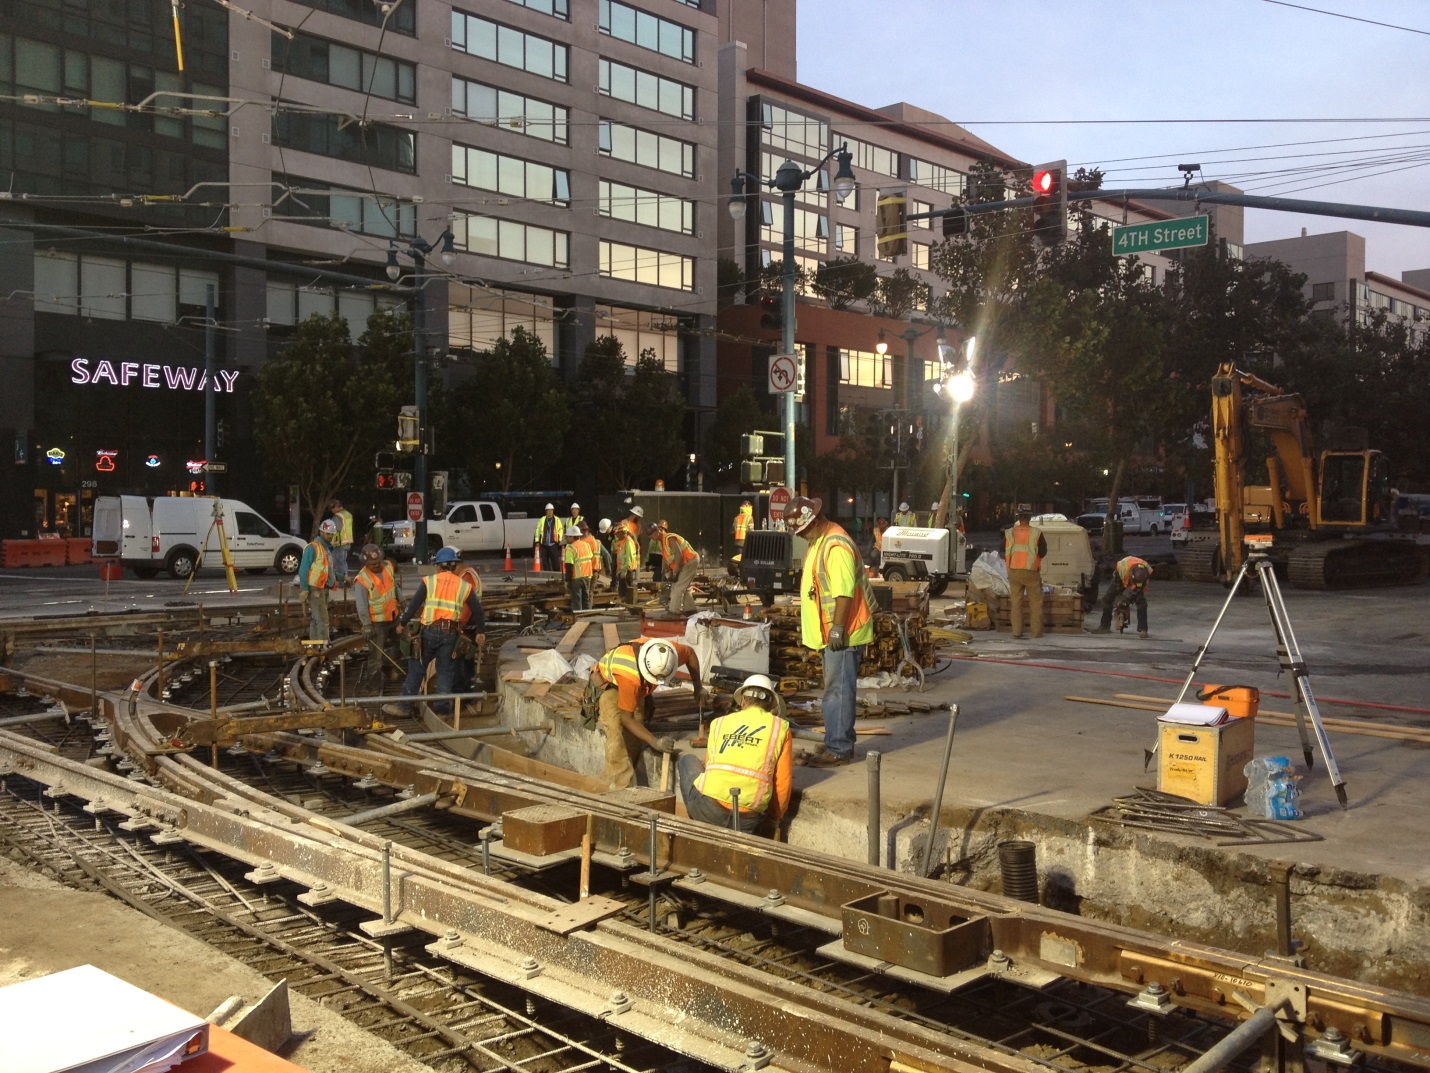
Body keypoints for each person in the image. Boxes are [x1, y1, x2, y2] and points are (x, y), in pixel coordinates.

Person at [787, 496, 877, 767]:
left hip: (843, 632)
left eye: (801, 530)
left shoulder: (835, 545)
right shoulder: (821, 541)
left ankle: (838, 749)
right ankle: (840, 740)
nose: (800, 536)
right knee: (837, 689)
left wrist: (838, 628)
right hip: (833, 632)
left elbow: (843, 593)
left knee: (837, 691)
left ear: (813, 521)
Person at [678, 674, 792, 837]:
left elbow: (710, 766)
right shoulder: (780, 728)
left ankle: (697, 819)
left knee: (687, 760)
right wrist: (774, 819)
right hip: (748, 821)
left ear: (743, 701)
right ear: (772, 704)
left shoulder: (719, 723)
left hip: (709, 811)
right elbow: (783, 782)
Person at [582, 637, 702, 789]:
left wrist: (698, 686)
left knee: (636, 731)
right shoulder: (629, 675)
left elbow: (690, 653)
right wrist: (654, 741)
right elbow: (627, 718)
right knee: (616, 731)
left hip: (636, 684)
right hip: (610, 685)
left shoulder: (668, 655)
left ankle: (631, 774)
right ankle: (618, 787)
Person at [387, 546, 485, 715]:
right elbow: (478, 610)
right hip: (451, 634)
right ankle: (442, 708)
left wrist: (402, 623)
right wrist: (481, 632)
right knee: (446, 671)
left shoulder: (429, 581)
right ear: (453, 565)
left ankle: (404, 706)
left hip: (429, 631)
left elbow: (413, 605)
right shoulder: (463, 586)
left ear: (438, 566)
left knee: (417, 666)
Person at [352, 543, 401, 688]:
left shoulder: (388, 567)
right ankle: (373, 687)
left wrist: (402, 600)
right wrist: (366, 625)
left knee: (404, 646)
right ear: (366, 563)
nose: (376, 565)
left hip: (394, 617)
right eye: (372, 564)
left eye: (378, 562)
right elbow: (361, 605)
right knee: (375, 657)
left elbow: (394, 586)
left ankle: (387, 664)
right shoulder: (362, 580)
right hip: (377, 623)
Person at [1004, 510, 1049, 640]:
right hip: (1031, 571)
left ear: (1018, 518)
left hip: (1014, 570)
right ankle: (1036, 632)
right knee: (1035, 603)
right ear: (1029, 518)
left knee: (1016, 602)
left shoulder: (1010, 533)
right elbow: (1043, 551)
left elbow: (1003, 548)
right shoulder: (1036, 533)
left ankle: (1017, 632)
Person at [297, 517, 342, 642]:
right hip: (315, 590)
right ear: (321, 532)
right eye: (328, 534)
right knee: (322, 620)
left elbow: (327, 571)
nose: (330, 536)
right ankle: (322, 647)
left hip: (322, 589)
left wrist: (343, 578)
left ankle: (315, 645)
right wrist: (305, 589)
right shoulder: (313, 548)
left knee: (316, 619)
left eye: (332, 535)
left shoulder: (326, 549)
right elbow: (303, 571)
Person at [1090, 556, 1153, 637]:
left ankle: (1143, 630)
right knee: (1107, 599)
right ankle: (1104, 626)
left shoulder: (1146, 572)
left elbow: (1138, 589)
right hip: (1119, 579)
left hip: (1136, 582)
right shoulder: (1122, 567)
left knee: (1141, 603)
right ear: (1130, 575)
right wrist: (1120, 600)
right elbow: (1118, 586)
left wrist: (1127, 600)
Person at [651, 521, 699, 614]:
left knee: (678, 587)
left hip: (690, 561)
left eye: (653, 532)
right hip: (686, 563)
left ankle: (673, 612)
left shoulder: (670, 538)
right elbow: (666, 558)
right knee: (681, 587)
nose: (652, 536)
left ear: (659, 530)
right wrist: (664, 570)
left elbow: (679, 556)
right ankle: (690, 610)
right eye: (650, 534)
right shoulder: (663, 543)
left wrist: (675, 573)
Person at [610, 516, 640, 603]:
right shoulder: (623, 542)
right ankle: (624, 604)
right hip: (623, 570)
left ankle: (629, 606)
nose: (616, 536)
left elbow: (629, 557)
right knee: (622, 591)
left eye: (617, 534)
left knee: (627, 590)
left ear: (623, 533)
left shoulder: (628, 542)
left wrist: (625, 570)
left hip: (627, 571)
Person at [563, 529, 592, 611]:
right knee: (586, 599)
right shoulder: (586, 545)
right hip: (587, 576)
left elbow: (569, 566)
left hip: (577, 578)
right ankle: (588, 617)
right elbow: (590, 558)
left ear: (572, 537)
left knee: (576, 601)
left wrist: (567, 580)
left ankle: (578, 619)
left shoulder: (570, 548)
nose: (566, 538)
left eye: (567, 536)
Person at [328, 499, 354, 583]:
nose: (331, 510)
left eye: (332, 508)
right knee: (343, 562)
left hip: (339, 543)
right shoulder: (348, 514)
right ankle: (346, 580)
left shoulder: (338, 516)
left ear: (336, 506)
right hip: (347, 542)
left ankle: (343, 582)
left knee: (339, 564)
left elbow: (336, 528)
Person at [534, 503, 565, 573]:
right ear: (546, 511)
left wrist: (558, 540)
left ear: (553, 511)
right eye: (548, 510)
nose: (549, 512)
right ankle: (548, 575)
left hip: (553, 544)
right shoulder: (542, 520)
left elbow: (560, 530)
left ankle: (557, 574)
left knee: (555, 561)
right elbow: (538, 530)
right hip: (544, 544)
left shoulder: (557, 520)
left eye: (551, 510)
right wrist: (537, 541)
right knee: (545, 561)